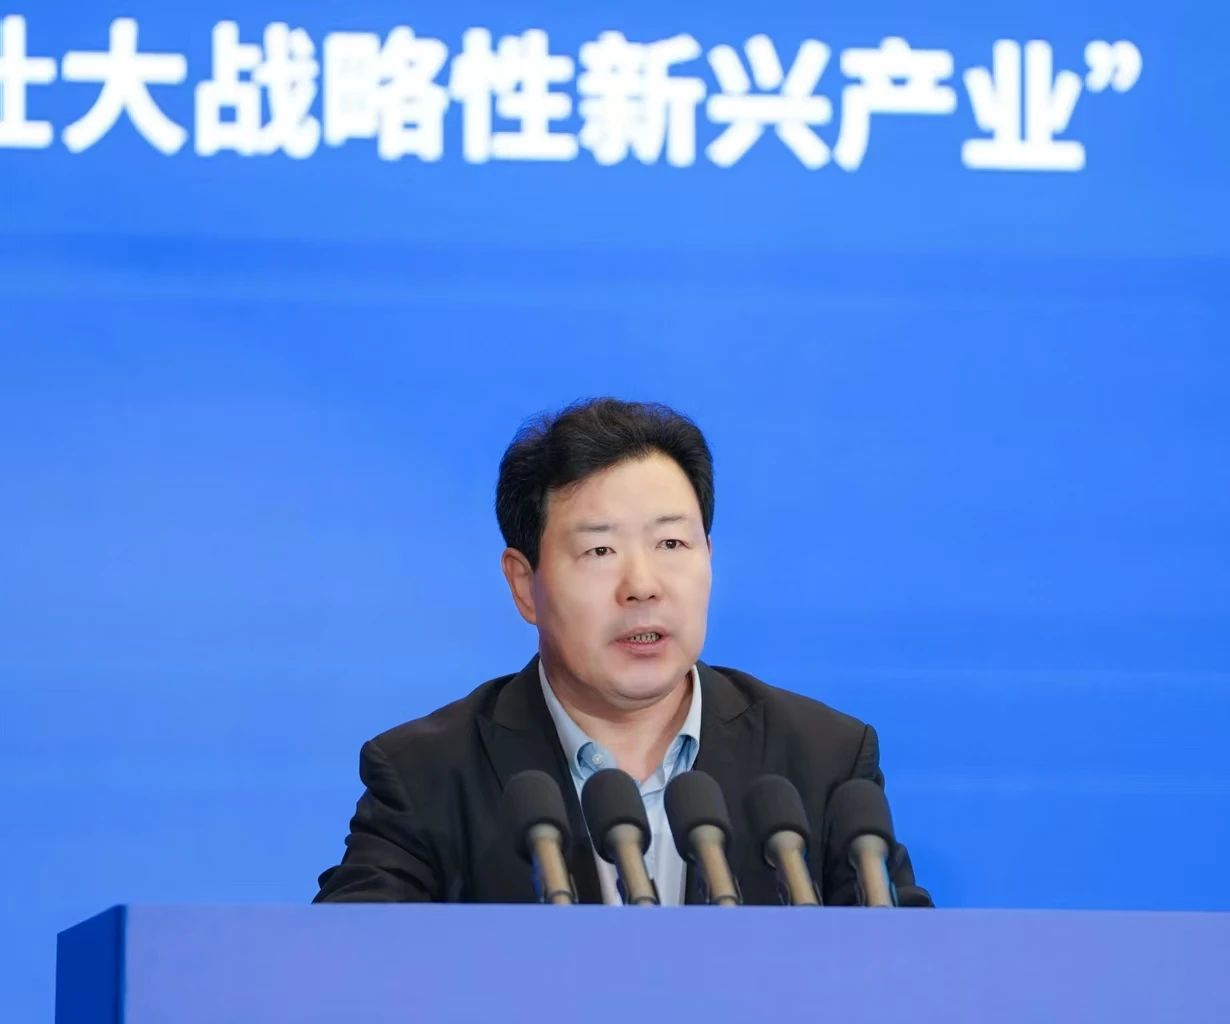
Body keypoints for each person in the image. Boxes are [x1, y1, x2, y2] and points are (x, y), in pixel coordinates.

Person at [315, 398, 929, 905]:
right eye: (600, 551)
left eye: (671, 543)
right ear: (524, 585)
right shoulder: (428, 775)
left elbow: (917, 969)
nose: (642, 585)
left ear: (709, 558)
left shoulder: (822, 760)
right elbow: (344, 970)